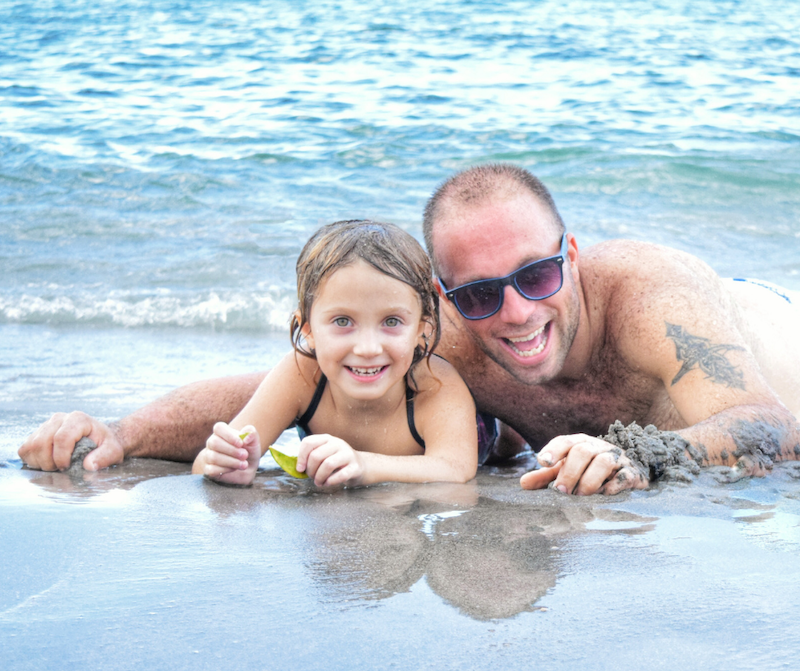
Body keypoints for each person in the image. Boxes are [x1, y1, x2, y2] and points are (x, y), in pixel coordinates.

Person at [20, 165, 800, 495]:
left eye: (536, 276)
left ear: (571, 254)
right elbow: (291, 388)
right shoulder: (448, 332)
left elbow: (770, 426)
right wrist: (120, 432)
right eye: (482, 292)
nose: (519, 312)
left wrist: (630, 453)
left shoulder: (650, 295)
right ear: (441, 295)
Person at [193, 219, 478, 486]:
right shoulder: (302, 373)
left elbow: (455, 467)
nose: (368, 349)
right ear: (307, 329)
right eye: (343, 321)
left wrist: (364, 465)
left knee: (505, 443)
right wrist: (228, 463)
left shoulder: (435, 383)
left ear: (422, 329)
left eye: (391, 322)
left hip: (480, 429)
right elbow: (204, 464)